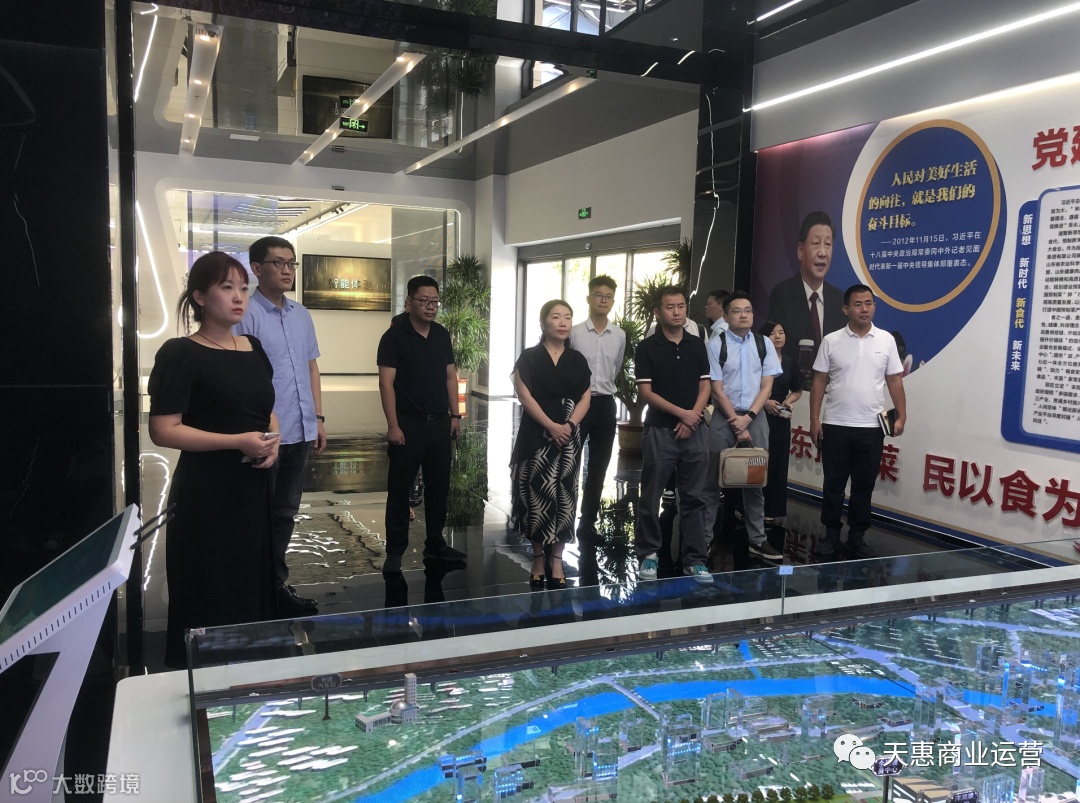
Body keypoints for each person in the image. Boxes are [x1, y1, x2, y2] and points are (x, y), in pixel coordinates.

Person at [148, 252, 281, 668]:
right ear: (200, 297)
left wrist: (272, 441)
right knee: (207, 582)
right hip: (207, 490)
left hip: (252, 486)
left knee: (249, 579)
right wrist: (236, 442)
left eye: (243, 288)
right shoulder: (181, 353)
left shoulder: (253, 347)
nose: (239, 297)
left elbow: (266, 408)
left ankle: (246, 670)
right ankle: (200, 674)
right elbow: (164, 429)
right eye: (227, 287)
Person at [234, 236, 325, 615]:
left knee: (286, 512)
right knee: (256, 515)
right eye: (278, 263)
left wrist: (318, 417)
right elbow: (239, 376)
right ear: (257, 268)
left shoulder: (301, 314)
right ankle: (248, 589)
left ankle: (274, 585)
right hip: (265, 434)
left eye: (291, 263)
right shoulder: (246, 315)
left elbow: (311, 366)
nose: (287, 270)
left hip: (300, 429)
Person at [377, 276, 467, 574]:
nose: (431, 307)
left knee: (439, 486)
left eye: (435, 302)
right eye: (424, 301)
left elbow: (450, 377)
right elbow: (386, 384)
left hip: (439, 423)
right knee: (400, 489)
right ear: (409, 302)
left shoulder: (441, 334)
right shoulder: (394, 337)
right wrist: (393, 425)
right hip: (408, 424)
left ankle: (435, 542)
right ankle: (395, 551)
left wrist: (455, 415)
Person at [810, 284, 907, 559]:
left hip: (871, 427)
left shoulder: (886, 340)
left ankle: (857, 536)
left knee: (864, 486)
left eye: (869, 303)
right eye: (857, 304)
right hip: (835, 424)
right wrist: (814, 419)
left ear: (874, 306)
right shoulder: (831, 341)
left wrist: (902, 415)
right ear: (845, 309)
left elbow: (894, 380)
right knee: (833, 483)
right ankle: (831, 534)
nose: (864, 309)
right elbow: (819, 381)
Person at [511, 300, 592, 590]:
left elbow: (586, 397)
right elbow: (524, 396)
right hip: (537, 432)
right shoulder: (530, 356)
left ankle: (557, 558)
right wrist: (550, 425)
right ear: (544, 322)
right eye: (556, 317)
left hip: (569, 436)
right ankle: (537, 558)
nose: (563, 322)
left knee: (565, 496)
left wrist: (568, 426)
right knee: (535, 494)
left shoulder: (577, 359)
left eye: (568, 317)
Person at [634, 287, 712, 583]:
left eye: (681, 306)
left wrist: (693, 417)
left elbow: (705, 386)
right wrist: (683, 414)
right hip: (660, 430)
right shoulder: (647, 347)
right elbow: (646, 392)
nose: (677, 312)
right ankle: (649, 554)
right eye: (670, 307)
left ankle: (695, 559)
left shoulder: (696, 344)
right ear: (658, 312)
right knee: (651, 495)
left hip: (695, 431)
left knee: (694, 498)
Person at [704, 292, 784, 562]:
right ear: (726, 317)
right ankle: (703, 539)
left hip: (755, 417)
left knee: (755, 479)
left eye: (748, 310)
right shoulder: (716, 343)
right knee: (711, 480)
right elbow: (716, 388)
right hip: (723, 416)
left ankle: (758, 540)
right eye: (737, 311)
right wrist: (736, 421)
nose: (744, 315)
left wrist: (748, 417)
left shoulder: (764, 344)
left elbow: (767, 386)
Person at [570, 277, 625, 585]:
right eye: (598, 295)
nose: (603, 300)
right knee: (571, 464)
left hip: (605, 405)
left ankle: (587, 523)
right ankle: (564, 520)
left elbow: (616, 368)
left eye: (608, 296)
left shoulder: (620, 335)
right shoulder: (575, 332)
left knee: (599, 468)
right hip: (579, 403)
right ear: (589, 298)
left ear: (612, 301)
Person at [767, 211, 846, 361]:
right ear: (800, 251)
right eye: (816, 243)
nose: (822, 252)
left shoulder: (840, 300)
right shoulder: (782, 295)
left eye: (828, 244)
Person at [759, 321, 804, 523]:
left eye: (781, 332)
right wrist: (765, 402)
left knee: (777, 463)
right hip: (758, 416)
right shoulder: (756, 361)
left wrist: (788, 401)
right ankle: (747, 506)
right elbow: (747, 388)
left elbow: (798, 390)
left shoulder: (789, 363)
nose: (777, 336)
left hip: (780, 418)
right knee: (757, 461)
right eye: (772, 333)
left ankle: (771, 509)